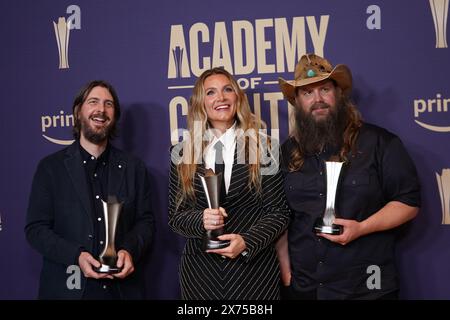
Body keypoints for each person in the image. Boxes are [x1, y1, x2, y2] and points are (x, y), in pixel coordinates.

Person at [276, 54, 421, 299]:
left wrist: (362, 228)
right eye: (307, 93)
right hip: (307, 289)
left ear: (339, 94)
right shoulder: (287, 153)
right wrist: (286, 271)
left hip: (366, 289)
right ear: (297, 102)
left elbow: (408, 203)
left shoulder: (379, 142)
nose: (317, 100)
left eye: (324, 89)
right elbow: (280, 215)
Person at [168, 67, 290, 300]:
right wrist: (201, 219)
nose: (221, 98)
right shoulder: (182, 153)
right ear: (200, 102)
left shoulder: (265, 147)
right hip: (201, 274)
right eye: (211, 92)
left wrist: (246, 242)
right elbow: (176, 217)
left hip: (255, 271)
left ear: (237, 97)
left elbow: (279, 213)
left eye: (227, 90)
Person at [25, 80, 154, 299]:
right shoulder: (50, 168)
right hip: (68, 290)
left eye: (108, 104)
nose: (101, 110)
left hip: (121, 291)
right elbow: (36, 229)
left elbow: (146, 222)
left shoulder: (134, 167)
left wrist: (128, 250)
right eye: (93, 102)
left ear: (114, 116)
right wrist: (76, 255)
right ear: (78, 111)